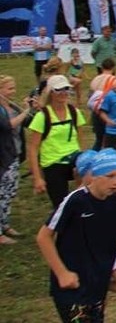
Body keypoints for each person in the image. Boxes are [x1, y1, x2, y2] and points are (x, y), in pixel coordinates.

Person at [36, 149, 116, 322]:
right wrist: (62, 273)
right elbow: (43, 237)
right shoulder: (75, 201)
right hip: (72, 287)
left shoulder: (115, 201)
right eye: (110, 176)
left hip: (97, 285)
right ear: (95, 175)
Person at [28, 75, 87, 209]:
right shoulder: (42, 116)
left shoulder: (74, 112)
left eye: (66, 89)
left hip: (73, 157)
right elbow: (33, 148)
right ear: (50, 93)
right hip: (52, 162)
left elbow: (81, 140)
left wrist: (84, 159)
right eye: (59, 90)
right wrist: (37, 178)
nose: (64, 93)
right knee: (61, 207)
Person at [0, 74, 29, 244]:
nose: (13, 91)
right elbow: (8, 126)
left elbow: (27, 122)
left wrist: (27, 108)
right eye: (9, 88)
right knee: (1, 193)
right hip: (3, 157)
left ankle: (5, 224)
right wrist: (25, 112)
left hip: (14, 155)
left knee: (10, 191)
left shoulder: (12, 107)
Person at [88, 58, 116, 152]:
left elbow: (91, 97)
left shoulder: (95, 79)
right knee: (109, 140)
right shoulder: (114, 80)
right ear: (113, 67)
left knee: (99, 140)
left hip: (96, 111)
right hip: (108, 112)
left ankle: (93, 158)